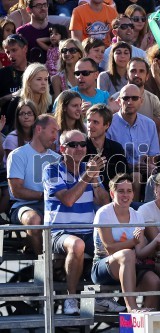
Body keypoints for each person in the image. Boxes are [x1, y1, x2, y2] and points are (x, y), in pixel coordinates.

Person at [42, 129, 110, 315]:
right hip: (58, 232)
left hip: (88, 231)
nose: (80, 148)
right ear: (63, 148)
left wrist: (95, 181)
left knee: (111, 244)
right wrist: (88, 176)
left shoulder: (88, 170)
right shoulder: (52, 169)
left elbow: (105, 204)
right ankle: (70, 298)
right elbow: (68, 200)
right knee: (77, 245)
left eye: (82, 144)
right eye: (73, 145)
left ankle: (103, 297)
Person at [92, 173, 160, 312]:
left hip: (131, 265)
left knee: (154, 282)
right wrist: (132, 241)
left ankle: (143, 323)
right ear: (112, 193)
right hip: (102, 266)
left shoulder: (137, 215)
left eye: (129, 191)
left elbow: (140, 252)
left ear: (133, 194)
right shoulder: (104, 213)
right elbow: (109, 249)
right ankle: (132, 308)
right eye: (120, 191)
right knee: (127, 254)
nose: (125, 195)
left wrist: (156, 241)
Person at [7, 114, 58, 255]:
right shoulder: (18, 154)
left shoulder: (57, 158)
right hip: (22, 207)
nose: (55, 136)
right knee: (34, 220)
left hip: (51, 206)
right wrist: (45, 196)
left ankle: (58, 264)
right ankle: (43, 263)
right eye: (53, 131)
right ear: (39, 129)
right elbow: (17, 191)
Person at [106, 84, 159, 200]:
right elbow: (110, 158)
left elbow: (154, 155)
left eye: (134, 98)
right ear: (119, 101)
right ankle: (132, 211)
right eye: (126, 98)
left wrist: (149, 165)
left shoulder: (149, 124)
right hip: (118, 170)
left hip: (144, 171)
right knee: (135, 176)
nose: (130, 102)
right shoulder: (109, 124)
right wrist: (132, 167)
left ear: (141, 101)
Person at [110, 57, 160, 129]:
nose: (137, 75)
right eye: (133, 71)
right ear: (127, 74)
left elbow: (158, 126)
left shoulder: (153, 99)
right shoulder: (115, 99)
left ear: (147, 76)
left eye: (141, 71)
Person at [84, 103, 128, 191]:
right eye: (88, 121)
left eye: (95, 122)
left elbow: (122, 177)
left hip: (111, 195)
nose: (90, 125)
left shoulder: (116, 148)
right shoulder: (80, 146)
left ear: (107, 125)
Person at [3, 62, 51, 133]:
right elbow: (9, 129)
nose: (43, 83)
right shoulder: (16, 102)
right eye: (39, 79)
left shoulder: (48, 103)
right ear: (28, 81)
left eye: (46, 79)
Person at [0, 34, 28, 108]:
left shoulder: (37, 72)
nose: (10, 55)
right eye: (8, 52)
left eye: (14, 50)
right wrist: (9, 97)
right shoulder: (2, 74)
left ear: (25, 49)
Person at [3, 99, 34, 164]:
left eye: (29, 113)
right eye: (22, 113)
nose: (26, 116)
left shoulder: (41, 136)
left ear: (35, 116)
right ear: (17, 117)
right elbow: (11, 166)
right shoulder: (11, 139)